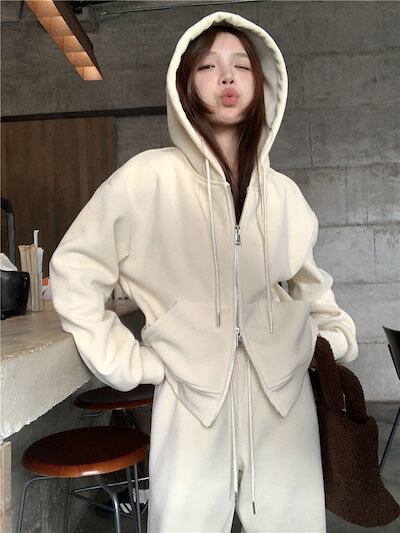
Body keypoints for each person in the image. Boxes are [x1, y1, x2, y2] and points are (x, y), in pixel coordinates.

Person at [50, 11, 359, 533]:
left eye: (242, 65)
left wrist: (327, 341)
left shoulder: (283, 195)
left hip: (283, 402)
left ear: (262, 84)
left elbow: (312, 286)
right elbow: (75, 268)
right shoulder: (147, 179)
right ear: (185, 84)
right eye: (208, 66)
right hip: (190, 401)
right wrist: (129, 362)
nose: (227, 76)